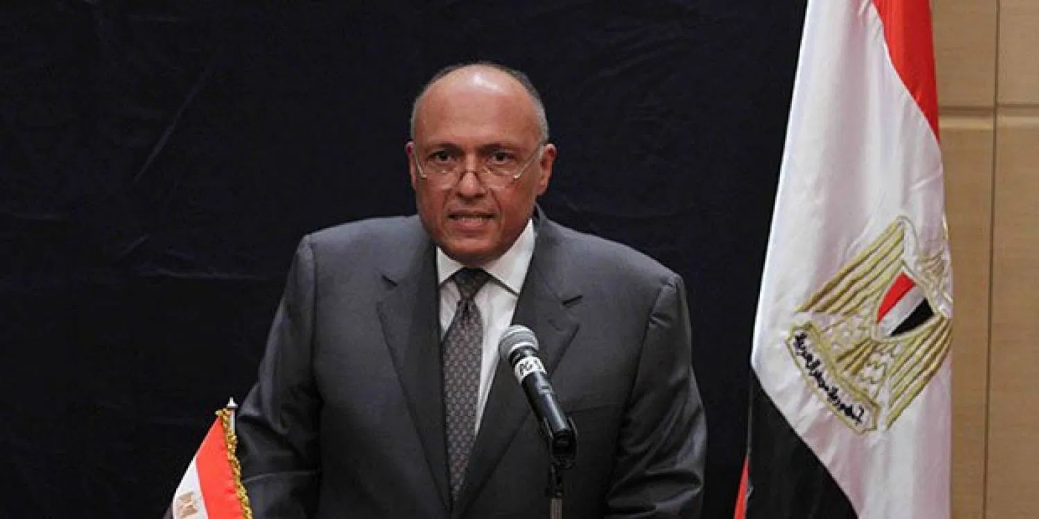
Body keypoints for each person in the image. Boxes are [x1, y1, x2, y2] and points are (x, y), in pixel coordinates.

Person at [236, 62, 707, 518]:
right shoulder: (331, 275)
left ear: (544, 168)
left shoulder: (638, 303)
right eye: (443, 157)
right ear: (413, 166)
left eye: (499, 158)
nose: (468, 185)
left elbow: (658, 499)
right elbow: (271, 460)